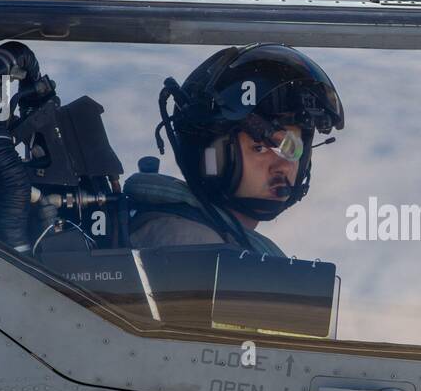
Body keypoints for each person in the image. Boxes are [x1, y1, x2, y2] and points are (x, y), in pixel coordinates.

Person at [126, 44, 344, 256]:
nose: (283, 165)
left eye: (292, 148)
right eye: (259, 148)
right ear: (213, 161)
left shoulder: (224, 247)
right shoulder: (193, 247)